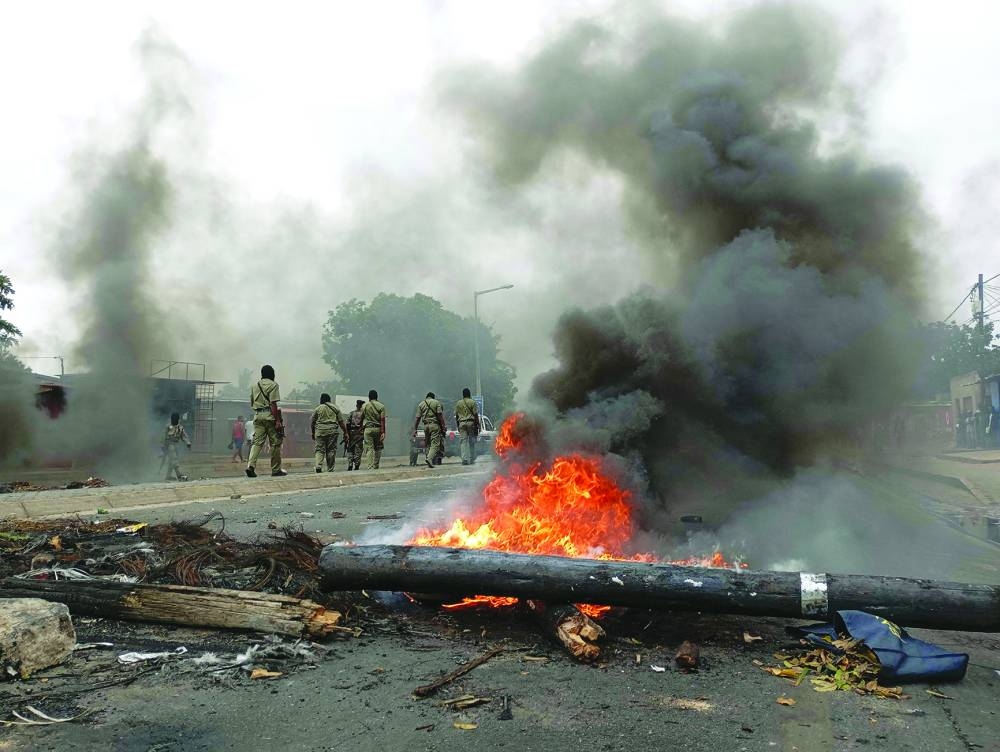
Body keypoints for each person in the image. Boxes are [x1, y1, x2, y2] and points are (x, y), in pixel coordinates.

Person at [246, 364, 286, 478]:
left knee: (257, 443)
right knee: (275, 443)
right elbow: (273, 403)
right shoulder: (273, 385)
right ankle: (276, 470)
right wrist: (277, 421)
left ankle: (250, 466)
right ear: (272, 374)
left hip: (258, 415)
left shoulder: (255, 385)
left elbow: (252, 403)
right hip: (269, 416)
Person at [311, 393, 347, 473]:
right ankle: (330, 469)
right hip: (332, 431)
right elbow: (341, 422)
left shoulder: (318, 408)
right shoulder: (336, 408)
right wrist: (345, 432)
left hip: (320, 431)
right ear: (329, 399)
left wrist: (313, 433)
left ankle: (318, 466)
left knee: (319, 450)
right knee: (331, 450)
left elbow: (313, 422)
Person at [413, 392, 446, 469]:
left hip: (425, 426)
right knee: (435, 444)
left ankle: (428, 458)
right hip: (434, 425)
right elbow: (440, 416)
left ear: (427, 397)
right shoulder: (436, 403)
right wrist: (443, 427)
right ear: (433, 397)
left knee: (428, 443)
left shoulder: (421, 404)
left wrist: (415, 429)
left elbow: (417, 418)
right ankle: (429, 458)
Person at [162, 412, 192, 481]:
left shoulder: (180, 427)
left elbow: (184, 436)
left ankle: (168, 476)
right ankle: (179, 475)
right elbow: (164, 437)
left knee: (171, 462)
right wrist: (163, 446)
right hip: (169, 445)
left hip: (176, 445)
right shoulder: (168, 427)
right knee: (174, 460)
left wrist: (188, 443)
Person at [454, 388, 481, 465]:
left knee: (463, 442)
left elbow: (456, 415)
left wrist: (457, 425)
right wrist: (478, 424)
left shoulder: (458, 403)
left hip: (461, 423)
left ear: (463, 394)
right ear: (469, 394)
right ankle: (472, 458)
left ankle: (464, 459)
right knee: (471, 441)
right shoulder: (472, 402)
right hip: (471, 423)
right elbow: (475, 414)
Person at [361, 389, 387, 470]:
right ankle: (376, 465)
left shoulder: (364, 406)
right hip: (378, 429)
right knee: (378, 448)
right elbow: (382, 420)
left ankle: (370, 466)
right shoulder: (381, 406)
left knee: (369, 448)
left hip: (368, 429)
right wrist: (383, 432)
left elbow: (361, 418)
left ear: (369, 397)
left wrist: (361, 428)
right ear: (377, 397)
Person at [345, 399, 365, 471]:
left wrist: (347, 433)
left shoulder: (351, 413)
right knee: (358, 450)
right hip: (359, 434)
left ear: (356, 405)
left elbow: (347, 424)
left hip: (351, 433)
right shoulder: (364, 414)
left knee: (350, 449)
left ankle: (350, 464)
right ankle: (356, 465)